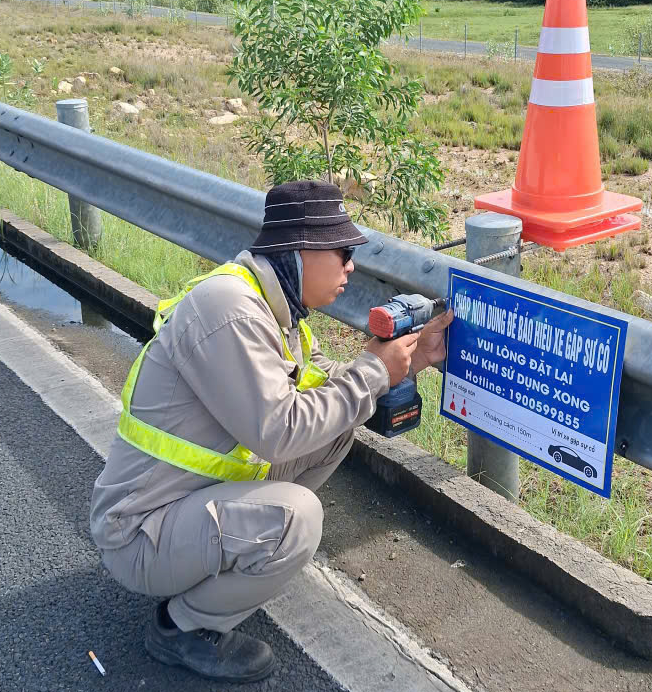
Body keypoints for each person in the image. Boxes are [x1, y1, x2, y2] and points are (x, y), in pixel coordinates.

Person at [89, 180, 453, 683]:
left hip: (181, 507)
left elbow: (327, 391)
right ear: (301, 250)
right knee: (297, 518)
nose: (350, 267)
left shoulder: (277, 312)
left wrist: (408, 364)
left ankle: (246, 558)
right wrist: (373, 370)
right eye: (343, 253)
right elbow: (279, 431)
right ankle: (180, 627)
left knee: (336, 429)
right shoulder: (230, 311)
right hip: (139, 534)